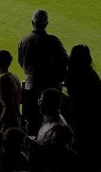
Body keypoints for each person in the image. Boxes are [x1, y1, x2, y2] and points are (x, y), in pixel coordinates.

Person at [17, 8, 68, 136]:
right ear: (46, 24)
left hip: (31, 87)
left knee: (32, 124)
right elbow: (65, 60)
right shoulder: (53, 41)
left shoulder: (24, 41)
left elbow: (20, 61)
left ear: (32, 22)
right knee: (52, 125)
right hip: (50, 88)